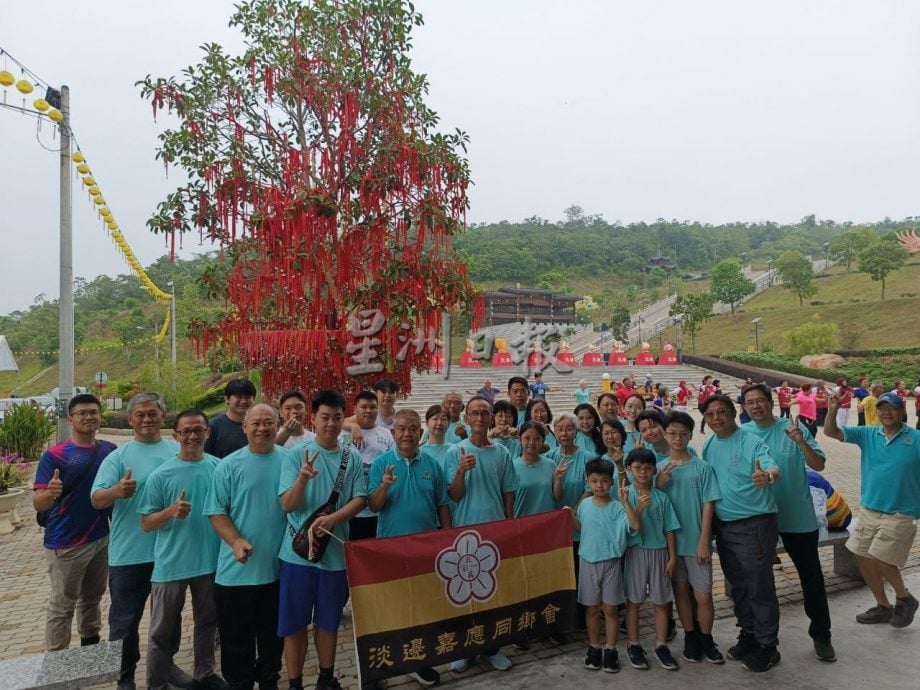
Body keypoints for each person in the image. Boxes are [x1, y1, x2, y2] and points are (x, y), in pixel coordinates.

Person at [91, 392, 185, 690]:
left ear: (163, 415)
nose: (147, 419)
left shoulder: (176, 450)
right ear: (130, 419)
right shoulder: (117, 457)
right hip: (129, 555)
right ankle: (125, 677)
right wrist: (116, 491)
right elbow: (96, 498)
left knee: (170, 619)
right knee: (124, 623)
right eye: (140, 414)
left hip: (169, 553)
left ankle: (165, 668)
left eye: (152, 413)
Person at [740, 384, 836, 662]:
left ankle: (822, 635)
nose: (756, 406)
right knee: (757, 582)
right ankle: (758, 637)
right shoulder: (742, 434)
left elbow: (818, 465)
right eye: (750, 402)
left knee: (811, 578)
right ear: (744, 408)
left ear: (771, 403)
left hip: (797, 517)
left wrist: (800, 441)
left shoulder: (793, 429)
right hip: (757, 518)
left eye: (760, 400)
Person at [278, 391, 367, 690]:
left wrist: (333, 520)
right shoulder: (295, 455)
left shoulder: (350, 456)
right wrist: (303, 478)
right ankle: (294, 682)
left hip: (334, 556)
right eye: (324, 417)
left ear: (344, 419)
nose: (330, 423)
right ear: (313, 419)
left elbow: (359, 498)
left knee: (328, 621)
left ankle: (326, 677)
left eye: (337, 418)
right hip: (296, 556)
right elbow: (287, 505)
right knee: (294, 624)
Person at [203, 403, 287, 690]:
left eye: (269, 422)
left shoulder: (291, 460)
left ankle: (269, 681)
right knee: (236, 640)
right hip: (236, 572)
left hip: (279, 570)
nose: (263, 428)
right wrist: (236, 540)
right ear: (245, 427)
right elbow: (216, 511)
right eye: (256, 423)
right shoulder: (229, 465)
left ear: (279, 425)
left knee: (273, 637)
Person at [139, 409, 224, 690]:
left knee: (207, 625)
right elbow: (146, 523)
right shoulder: (161, 475)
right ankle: (157, 682)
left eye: (198, 429)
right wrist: (170, 512)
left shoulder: (218, 468)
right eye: (185, 431)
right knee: (161, 632)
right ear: (175, 435)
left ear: (207, 432)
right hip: (171, 565)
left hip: (210, 562)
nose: (192, 436)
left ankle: (205, 674)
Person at [367, 409, 451, 687]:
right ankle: (384, 664)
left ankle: (419, 660)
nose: (407, 434)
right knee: (392, 608)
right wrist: (384, 486)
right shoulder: (381, 464)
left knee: (423, 607)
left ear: (420, 432)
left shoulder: (432, 465)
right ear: (393, 433)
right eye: (401, 428)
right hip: (391, 549)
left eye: (413, 429)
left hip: (426, 548)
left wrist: (448, 539)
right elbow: (374, 506)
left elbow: (442, 504)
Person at [700, 394, 782, 673]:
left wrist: (767, 476)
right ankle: (749, 633)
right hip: (724, 527)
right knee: (738, 586)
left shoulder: (750, 440)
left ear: (733, 412)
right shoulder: (710, 445)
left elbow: (772, 467)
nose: (716, 418)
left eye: (721, 412)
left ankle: (768, 646)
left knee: (759, 586)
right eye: (710, 415)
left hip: (754, 524)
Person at [824, 391, 920, 628]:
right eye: (882, 408)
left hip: (902, 511)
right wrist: (833, 409)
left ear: (902, 411)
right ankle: (883, 606)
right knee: (862, 555)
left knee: (882, 558)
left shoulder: (916, 439)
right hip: (870, 508)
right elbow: (830, 432)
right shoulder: (868, 434)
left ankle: (905, 598)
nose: (886, 412)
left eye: (893, 408)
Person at [32, 393, 115, 651]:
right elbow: (38, 503)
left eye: (93, 412)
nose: (89, 416)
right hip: (66, 542)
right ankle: (57, 664)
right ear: (71, 419)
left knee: (93, 598)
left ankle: (90, 652)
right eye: (82, 413)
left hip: (101, 537)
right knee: (62, 604)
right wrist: (50, 492)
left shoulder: (109, 451)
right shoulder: (56, 455)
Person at [445, 397, 517, 672]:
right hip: (465, 531)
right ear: (466, 417)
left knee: (492, 593)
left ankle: (491, 646)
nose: (479, 417)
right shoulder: (456, 452)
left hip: (495, 529)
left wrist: (509, 524)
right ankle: (466, 647)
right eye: (474, 412)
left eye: (484, 413)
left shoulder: (501, 452)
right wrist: (462, 472)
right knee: (465, 593)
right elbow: (454, 495)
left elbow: (508, 491)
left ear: (491, 418)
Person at [656, 411, 723, 665]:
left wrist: (704, 541)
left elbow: (708, 505)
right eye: (672, 433)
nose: (677, 438)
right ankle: (690, 636)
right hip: (671, 547)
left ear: (690, 435)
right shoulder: (659, 470)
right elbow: (655, 505)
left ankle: (707, 638)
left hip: (697, 543)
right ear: (665, 434)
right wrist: (659, 485)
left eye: (683, 434)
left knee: (704, 595)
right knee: (681, 592)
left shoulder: (702, 467)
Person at [570, 458, 641, 673]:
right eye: (594, 481)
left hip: (611, 562)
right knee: (591, 609)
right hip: (588, 561)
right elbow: (581, 529)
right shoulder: (584, 505)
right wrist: (568, 516)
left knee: (610, 609)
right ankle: (594, 648)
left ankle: (611, 649)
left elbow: (636, 525)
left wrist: (626, 501)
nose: (599, 486)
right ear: (588, 482)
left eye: (604, 481)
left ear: (611, 483)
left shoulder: (618, 508)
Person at [623, 448, 681, 672]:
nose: (643, 472)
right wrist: (637, 508)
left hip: (659, 553)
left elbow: (670, 529)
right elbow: (626, 530)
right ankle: (634, 644)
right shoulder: (624, 495)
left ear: (654, 470)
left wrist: (672, 556)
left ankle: (661, 644)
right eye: (637, 468)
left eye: (648, 468)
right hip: (635, 552)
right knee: (634, 602)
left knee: (661, 601)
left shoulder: (662, 497)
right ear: (629, 470)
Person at [344, 391, 394, 541]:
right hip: (347, 510)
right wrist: (352, 426)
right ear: (355, 409)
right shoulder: (341, 434)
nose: (368, 411)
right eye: (363, 407)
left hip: (377, 510)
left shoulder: (386, 435)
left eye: (372, 407)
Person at [205, 378, 256, 458]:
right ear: (227, 399)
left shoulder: (259, 425)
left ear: (254, 399)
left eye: (247, 397)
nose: (243, 401)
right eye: (238, 397)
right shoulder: (213, 426)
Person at [600, 418, 629, 486]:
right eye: (606, 433)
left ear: (622, 434)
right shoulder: (601, 461)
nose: (610, 437)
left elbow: (630, 487)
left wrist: (620, 465)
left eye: (614, 432)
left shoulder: (631, 458)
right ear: (602, 436)